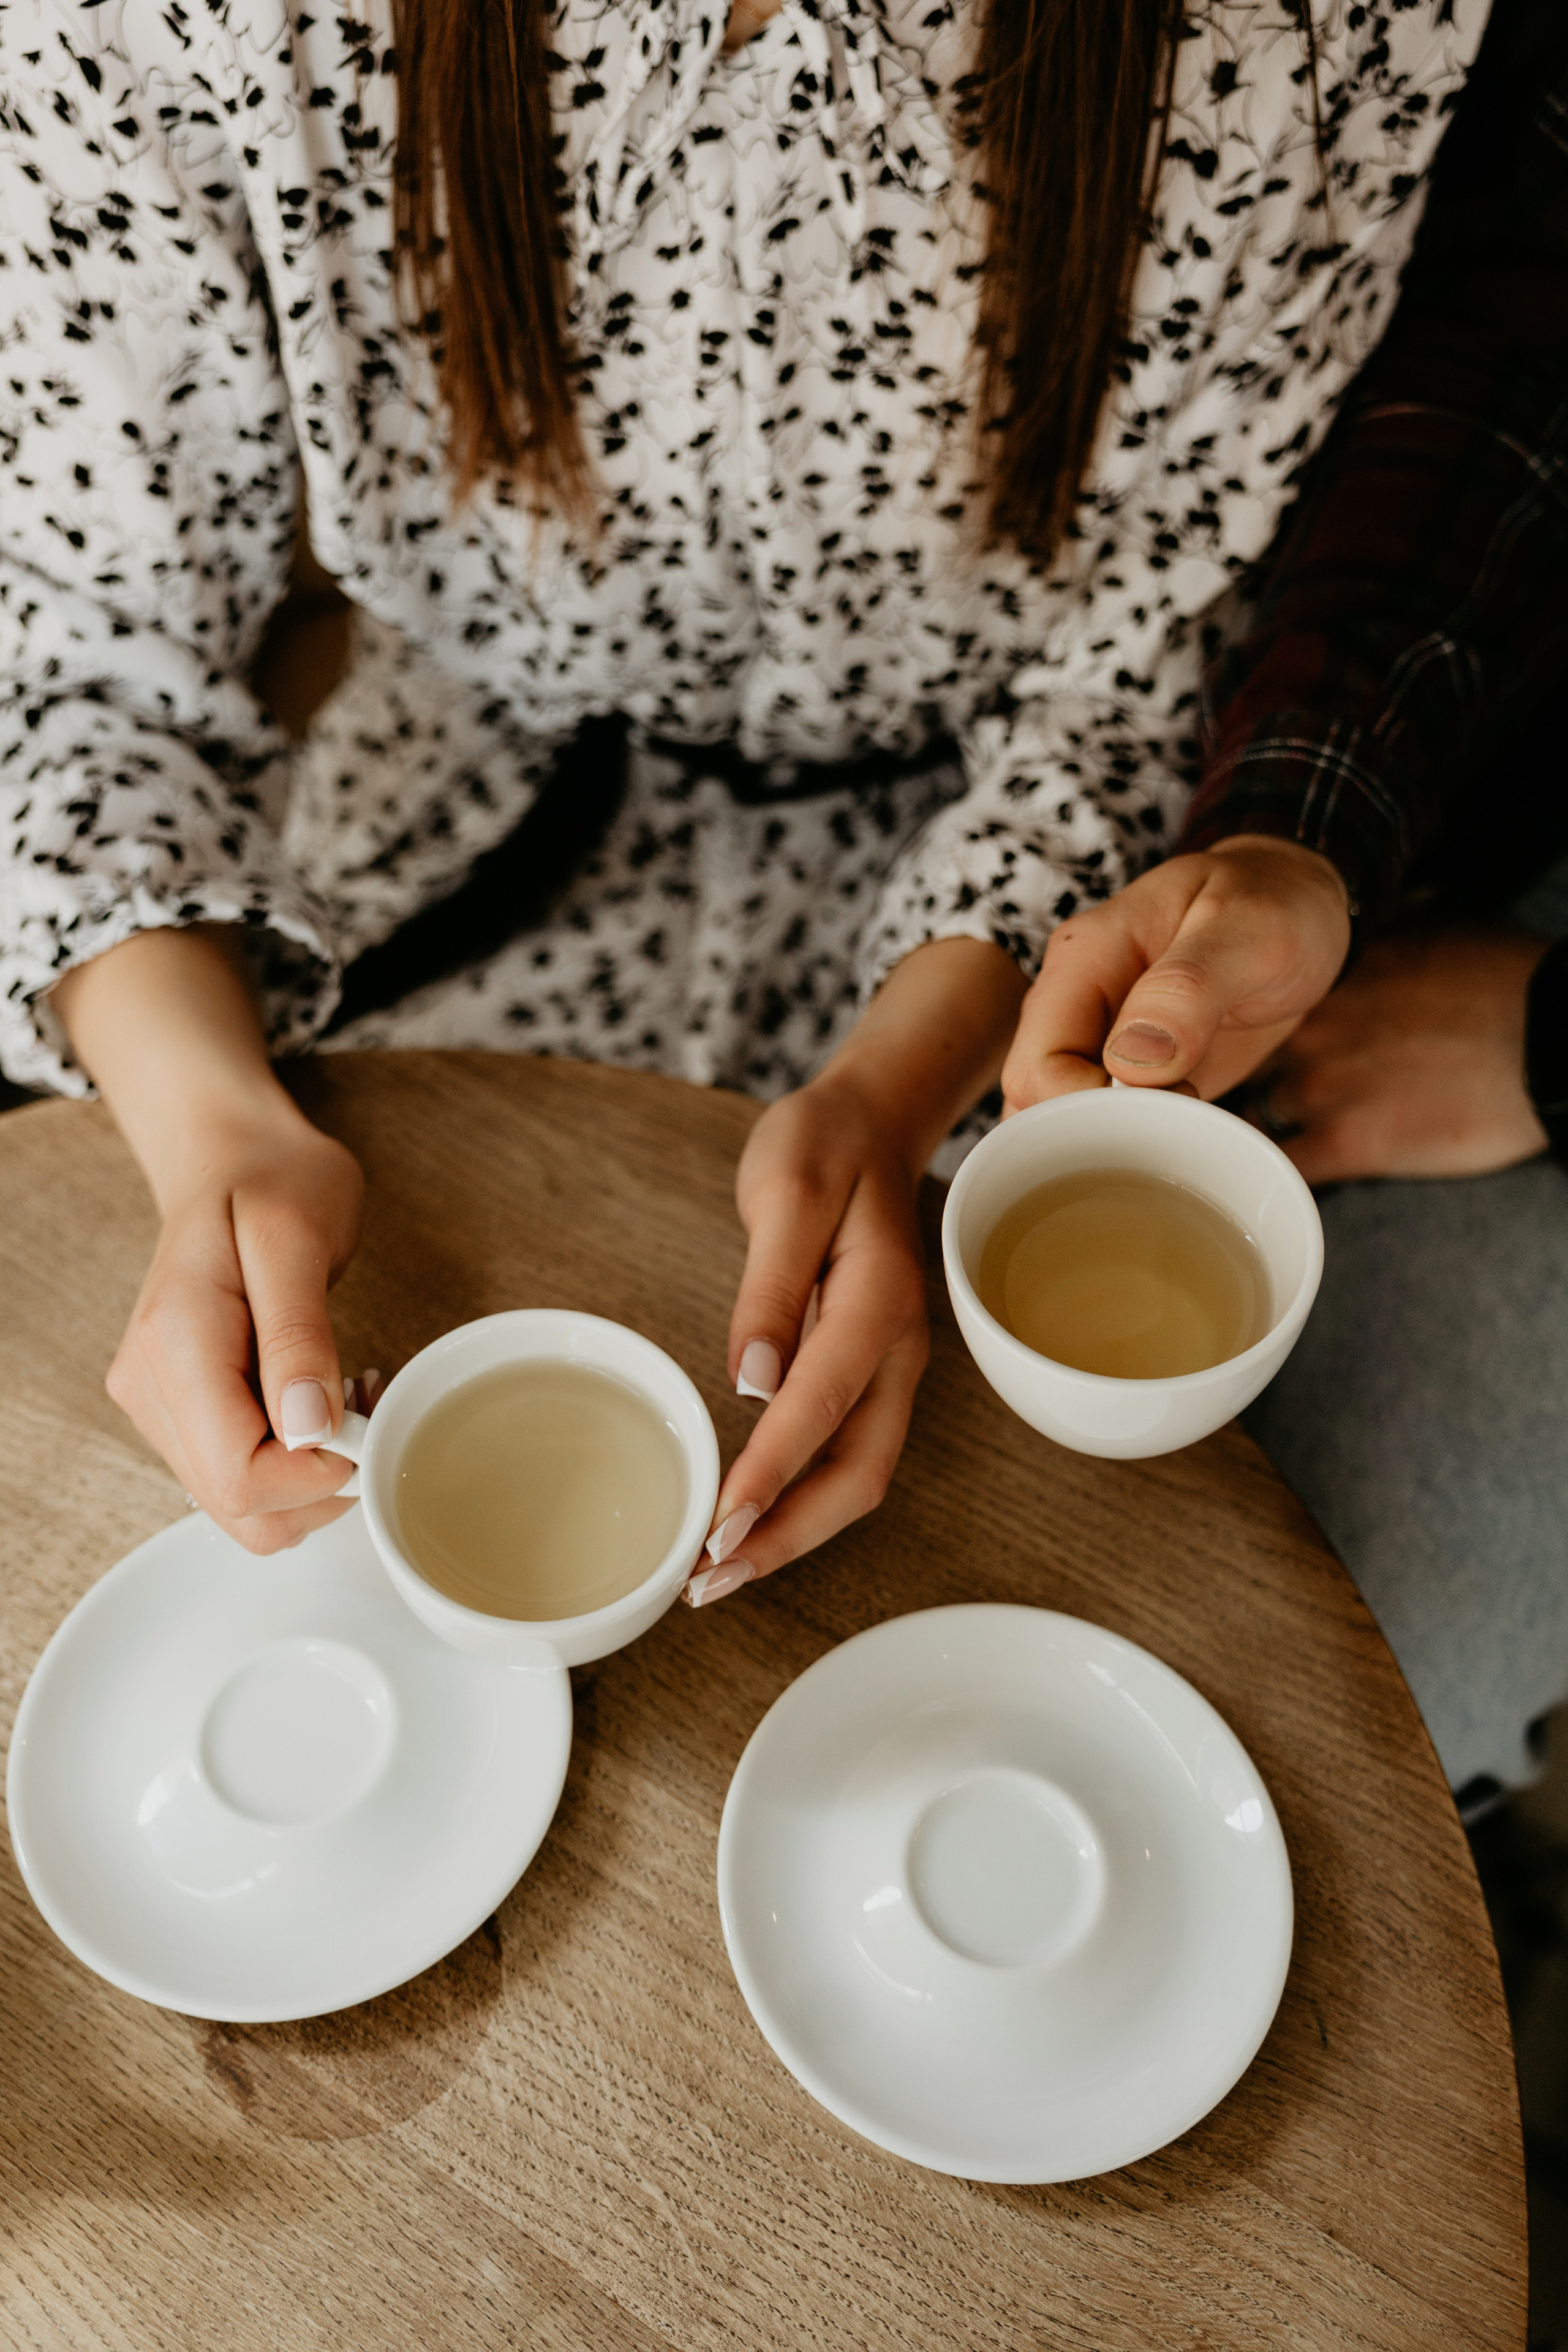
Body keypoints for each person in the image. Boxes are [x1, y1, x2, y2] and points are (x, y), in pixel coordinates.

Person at [1, 4, 1477, 1585]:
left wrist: (895, 1096)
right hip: (451, 835)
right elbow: (74, 659)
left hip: (999, 927)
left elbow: (1131, 675)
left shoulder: (1306, 31)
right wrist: (215, 1134)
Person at [993, 0, 1568, 1810]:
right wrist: (1293, 843)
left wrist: (1554, 1040)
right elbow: (1511, 351)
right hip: (1480, 768)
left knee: (1386, 1671)